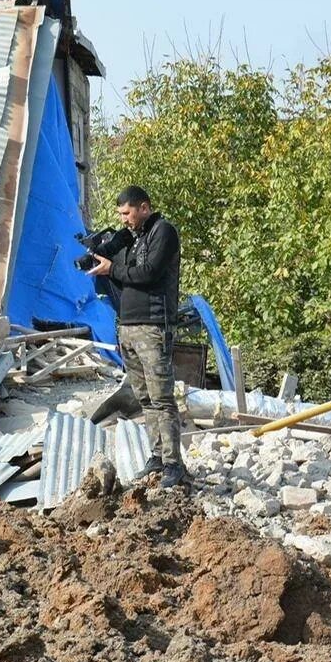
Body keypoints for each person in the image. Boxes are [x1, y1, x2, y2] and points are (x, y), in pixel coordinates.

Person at [87, 186, 186, 487]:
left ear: (144, 207)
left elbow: (149, 273)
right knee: (144, 398)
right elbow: (121, 266)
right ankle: (157, 457)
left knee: (161, 397)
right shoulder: (133, 238)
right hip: (128, 326)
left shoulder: (163, 232)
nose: (125, 220)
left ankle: (174, 464)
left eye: (127, 214)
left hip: (153, 325)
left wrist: (113, 269)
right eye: (121, 215)